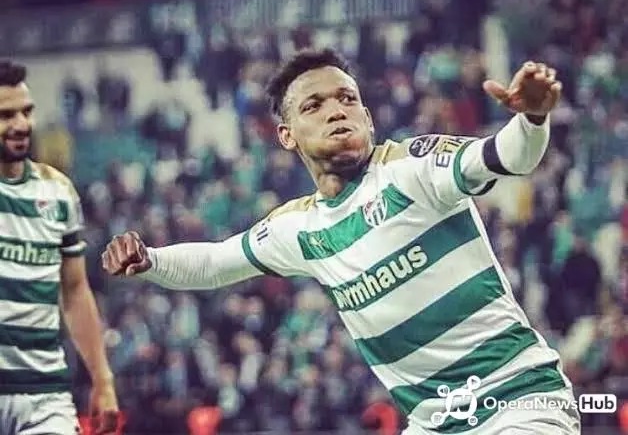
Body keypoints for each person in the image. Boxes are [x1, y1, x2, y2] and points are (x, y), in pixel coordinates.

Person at [102, 48, 581, 434]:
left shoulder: (411, 169)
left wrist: (532, 119)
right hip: (436, 422)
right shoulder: (300, 228)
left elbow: (505, 156)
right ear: (287, 135)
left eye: (347, 99)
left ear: (368, 117)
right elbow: (214, 262)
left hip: (518, 403)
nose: (336, 111)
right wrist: (150, 260)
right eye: (314, 106)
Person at [0, 61, 119, 435]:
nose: (21, 124)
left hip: (44, 394)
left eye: (26, 112)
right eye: (6, 115)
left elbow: (75, 290)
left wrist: (102, 378)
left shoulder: (58, 191)